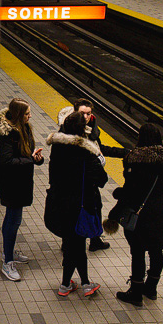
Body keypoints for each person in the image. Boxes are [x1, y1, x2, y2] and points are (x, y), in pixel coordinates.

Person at [104, 123, 163, 307]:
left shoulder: (134, 159)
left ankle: (136, 293)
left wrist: (117, 201)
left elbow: (131, 190)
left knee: (138, 252)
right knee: (156, 250)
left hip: (139, 212)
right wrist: (158, 190)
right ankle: (151, 288)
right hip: (159, 210)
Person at [44, 111, 108, 297]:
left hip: (59, 203)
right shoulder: (86, 152)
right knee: (77, 246)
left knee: (72, 245)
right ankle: (82, 284)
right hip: (79, 205)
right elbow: (101, 179)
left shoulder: (56, 147)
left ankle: (68, 283)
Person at [57, 99, 121, 252]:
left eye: (88, 113)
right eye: (82, 113)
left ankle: (94, 239)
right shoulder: (68, 132)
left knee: (96, 206)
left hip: (88, 181)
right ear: (75, 112)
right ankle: (71, 242)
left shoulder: (91, 128)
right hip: (75, 182)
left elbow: (99, 148)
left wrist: (122, 153)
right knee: (75, 209)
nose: (86, 117)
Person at [0, 98, 44, 282]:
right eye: (26, 113)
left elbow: (26, 153)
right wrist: (30, 160)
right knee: (14, 221)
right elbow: (6, 162)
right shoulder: (6, 134)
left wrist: (37, 158)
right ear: (17, 115)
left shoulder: (25, 127)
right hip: (11, 183)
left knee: (13, 218)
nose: (30, 116)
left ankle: (9, 251)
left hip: (22, 181)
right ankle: (7, 262)